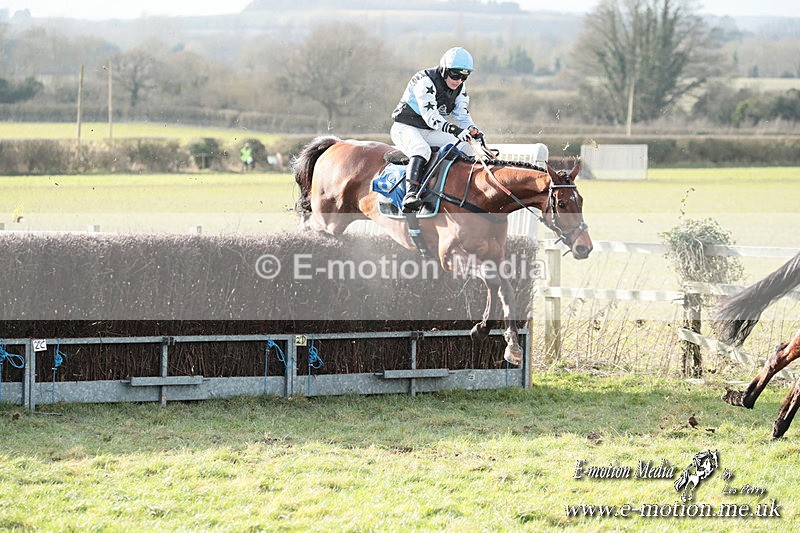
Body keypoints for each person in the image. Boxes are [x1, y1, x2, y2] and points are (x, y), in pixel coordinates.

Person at [391, 46, 484, 212]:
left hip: (430, 131)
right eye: (455, 74)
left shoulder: (460, 88)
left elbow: (462, 115)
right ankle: (411, 195)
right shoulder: (424, 81)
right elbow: (431, 117)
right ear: (444, 69)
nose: (459, 80)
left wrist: (473, 130)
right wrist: (454, 130)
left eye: (465, 76)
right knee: (421, 149)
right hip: (405, 127)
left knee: (466, 147)